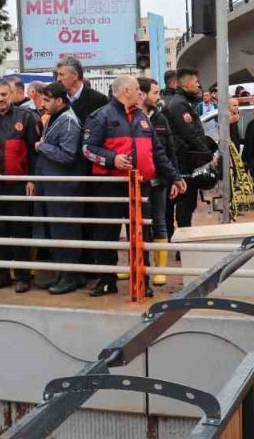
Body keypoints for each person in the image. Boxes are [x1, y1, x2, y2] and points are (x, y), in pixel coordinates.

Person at [82, 75, 185, 297]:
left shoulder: (143, 118)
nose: (141, 93)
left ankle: (142, 280)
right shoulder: (101, 117)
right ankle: (106, 280)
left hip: (141, 186)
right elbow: (88, 149)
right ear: (125, 91)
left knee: (141, 235)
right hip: (110, 186)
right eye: (137, 89)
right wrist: (112, 159)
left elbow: (158, 153)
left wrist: (175, 176)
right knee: (106, 234)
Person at [0, 78, 40, 291]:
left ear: (11, 94)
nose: (1, 99)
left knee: (20, 231)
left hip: (18, 185)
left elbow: (34, 152)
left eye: (4, 94)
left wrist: (31, 178)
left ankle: (22, 277)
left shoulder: (27, 117)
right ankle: (1, 275)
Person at [32, 82, 87, 295]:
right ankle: (61, 273)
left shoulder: (69, 122)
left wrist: (42, 146)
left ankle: (70, 276)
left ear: (59, 101)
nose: (43, 104)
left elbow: (67, 154)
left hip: (65, 187)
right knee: (56, 231)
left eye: (47, 100)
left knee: (66, 231)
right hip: (52, 185)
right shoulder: (54, 118)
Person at [160, 67, 213, 238]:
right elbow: (189, 133)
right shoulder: (179, 104)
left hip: (182, 161)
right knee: (183, 205)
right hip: (183, 162)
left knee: (180, 206)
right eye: (196, 82)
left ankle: (175, 240)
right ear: (187, 83)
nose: (199, 86)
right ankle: (179, 242)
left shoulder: (183, 102)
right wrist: (206, 153)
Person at [140, 77, 178, 285]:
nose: (158, 97)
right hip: (139, 181)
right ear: (142, 94)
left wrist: (174, 178)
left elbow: (170, 151)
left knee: (160, 221)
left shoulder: (161, 119)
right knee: (137, 225)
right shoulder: (132, 117)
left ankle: (161, 269)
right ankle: (137, 264)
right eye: (155, 92)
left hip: (160, 181)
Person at [55, 57, 106, 123]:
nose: (58, 79)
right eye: (58, 75)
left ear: (75, 76)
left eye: (61, 75)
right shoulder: (57, 100)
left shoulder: (99, 100)